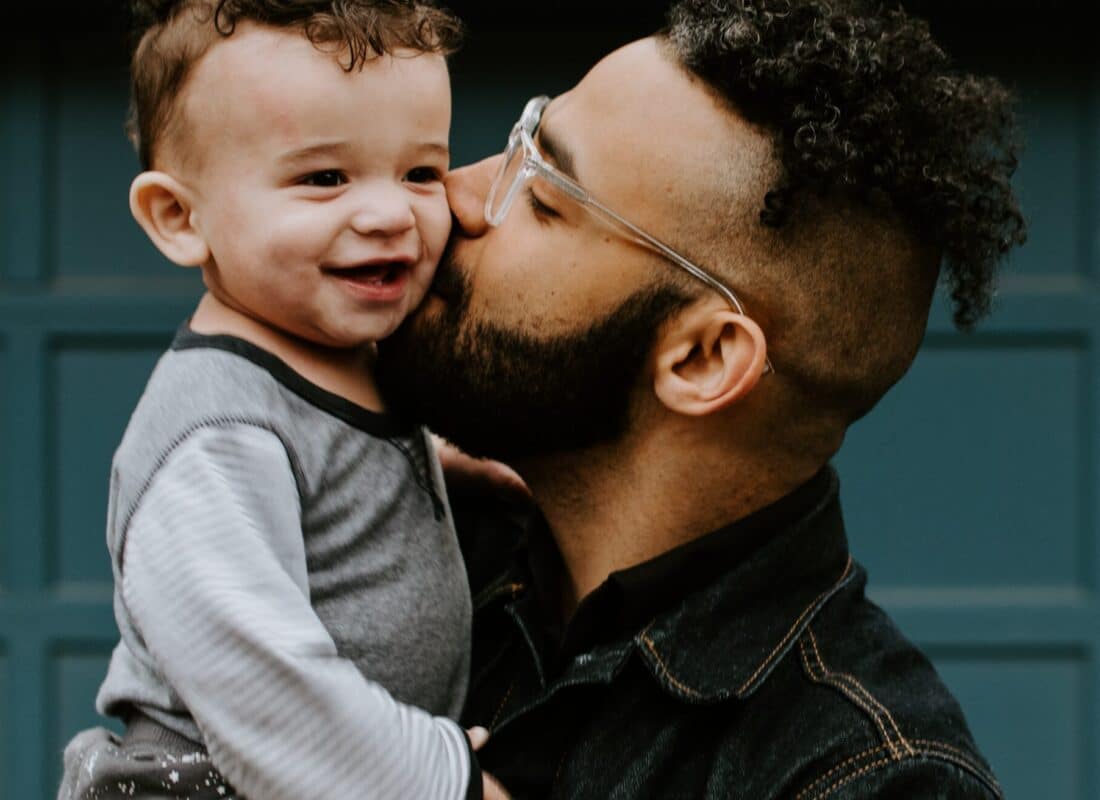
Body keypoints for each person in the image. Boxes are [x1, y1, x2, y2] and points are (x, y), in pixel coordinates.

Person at [376, 0, 1027, 797]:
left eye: (543, 199)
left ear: (704, 358)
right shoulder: (398, 536)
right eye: (519, 144)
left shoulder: (862, 776)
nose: (455, 195)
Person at [56, 1, 501, 798]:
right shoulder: (217, 436)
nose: (389, 212)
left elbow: (325, 478)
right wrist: (449, 782)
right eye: (324, 178)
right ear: (180, 218)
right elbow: (266, 691)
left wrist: (442, 469)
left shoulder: (338, 356)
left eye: (421, 172)